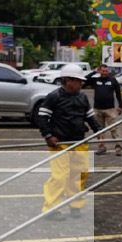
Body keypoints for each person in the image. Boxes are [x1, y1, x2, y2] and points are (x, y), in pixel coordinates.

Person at [37, 64, 102, 221]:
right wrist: (48, 136)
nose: (81, 84)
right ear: (68, 80)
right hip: (61, 143)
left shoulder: (82, 97)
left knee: (78, 175)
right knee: (60, 177)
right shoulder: (54, 96)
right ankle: (51, 208)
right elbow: (42, 117)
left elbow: (90, 116)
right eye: (78, 81)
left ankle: (76, 205)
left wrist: (99, 130)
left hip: (79, 141)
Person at [86, 64, 122, 156]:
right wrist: (94, 71)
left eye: (106, 71)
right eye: (103, 71)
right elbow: (85, 79)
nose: (105, 73)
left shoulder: (113, 80)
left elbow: (118, 94)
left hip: (110, 109)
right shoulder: (96, 80)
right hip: (98, 109)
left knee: (114, 128)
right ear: (100, 71)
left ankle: (118, 147)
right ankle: (101, 147)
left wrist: (120, 106)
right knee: (99, 130)